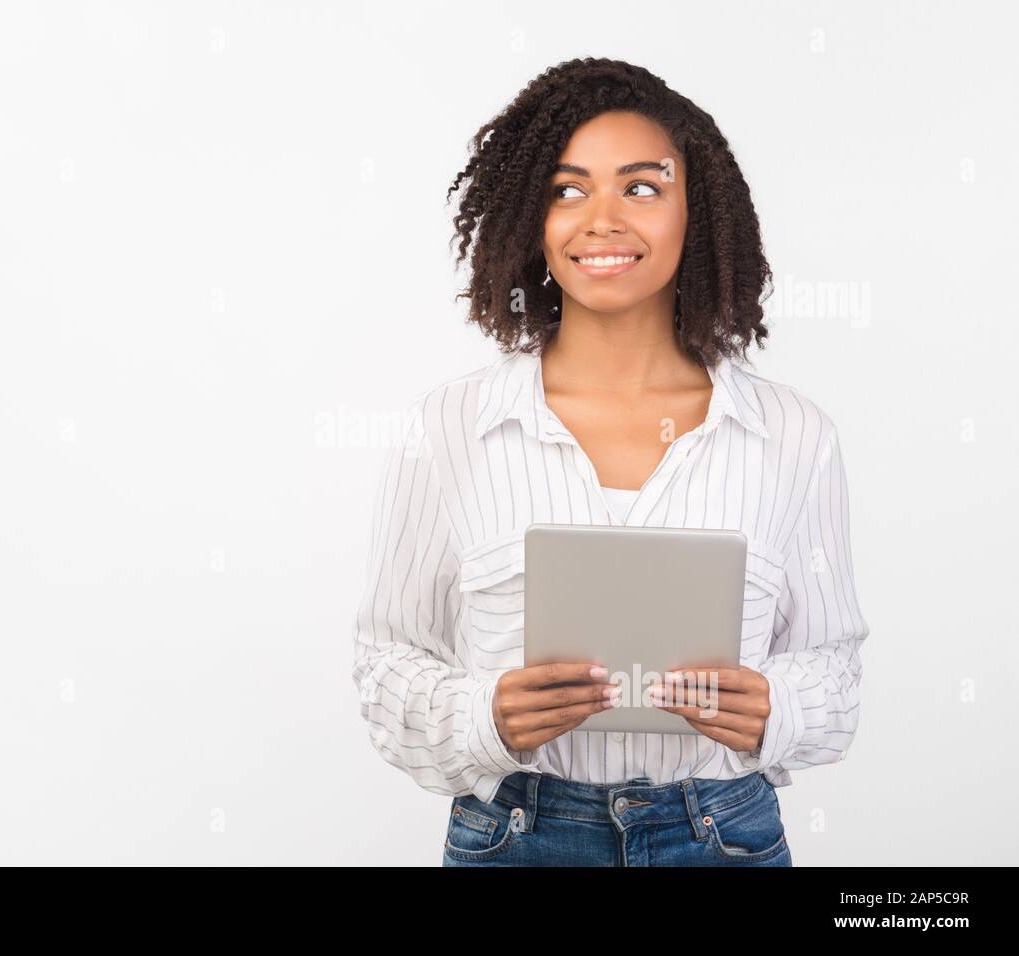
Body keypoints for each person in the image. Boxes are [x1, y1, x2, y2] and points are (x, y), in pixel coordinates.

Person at [350, 58, 869, 867]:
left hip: (720, 836)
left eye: (640, 187)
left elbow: (835, 670)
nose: (601, 219)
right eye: (566, 189)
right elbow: (386, 664)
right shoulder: (450, 426)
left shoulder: (794, 435)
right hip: (517, 836)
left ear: (696, 213)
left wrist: (779, 710)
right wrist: (484, 717)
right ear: (531, 219)